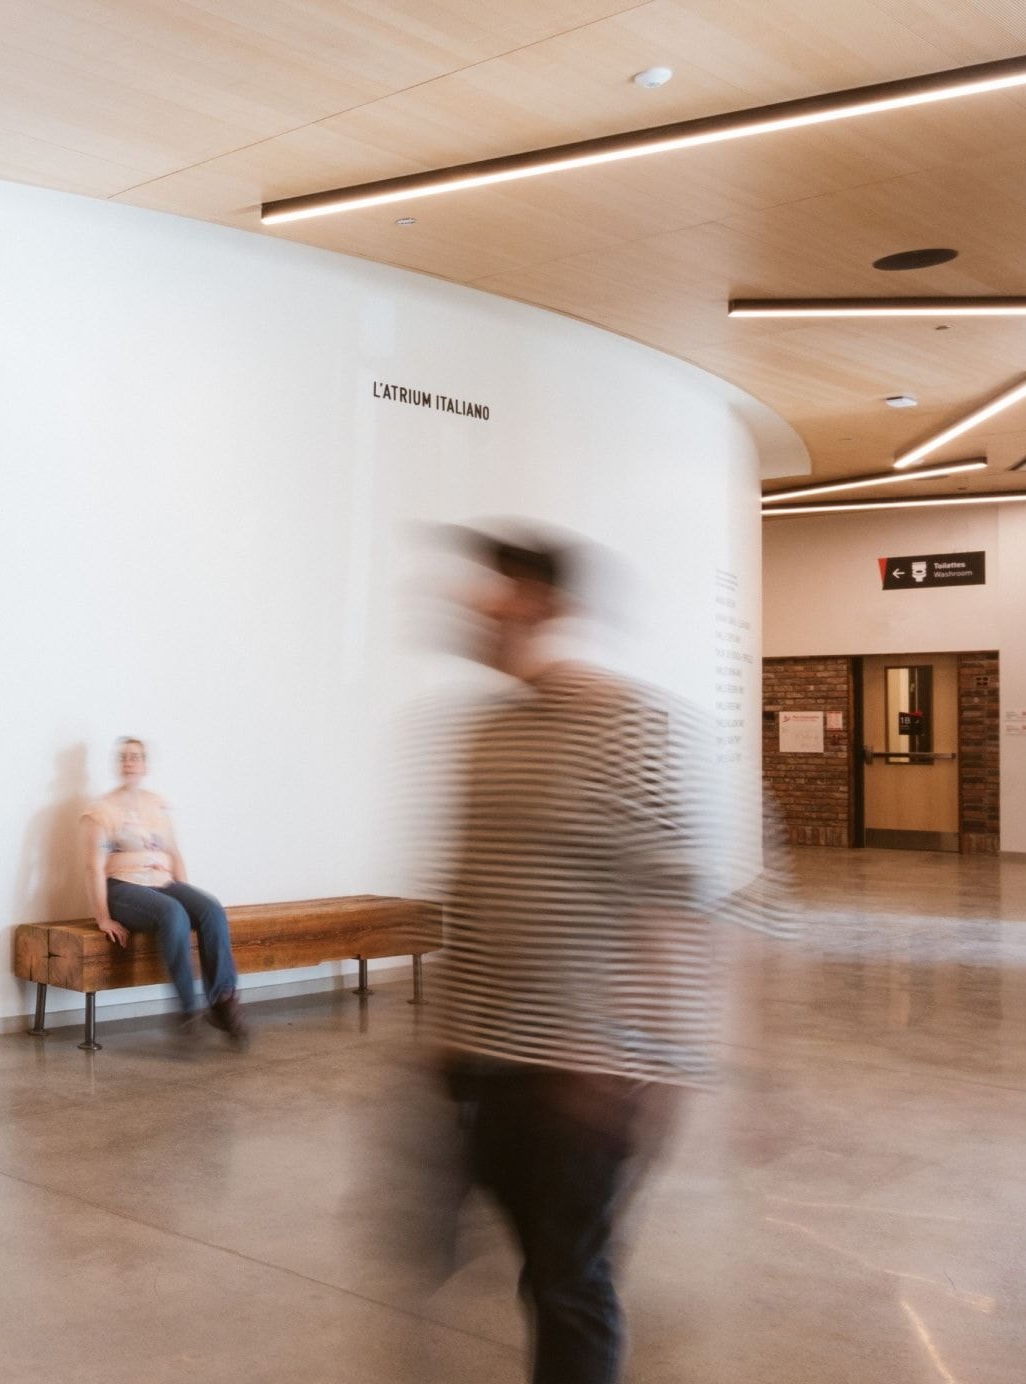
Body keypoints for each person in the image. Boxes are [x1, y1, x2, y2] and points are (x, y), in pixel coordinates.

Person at [433, 529, 716, 1384]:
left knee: (566, 1285)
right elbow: (474, 893)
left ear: (544, 603)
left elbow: (674, 902)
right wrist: (441, 1044)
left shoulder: (625, 723)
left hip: (574, 1076)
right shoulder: (482, 731)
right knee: (463, 1258)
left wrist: (661, 1064)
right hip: (477, 1063)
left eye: (492, 586)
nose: (471, 602)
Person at [85, 737, 247, 1043]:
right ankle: (188, 1009)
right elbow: (93, 868)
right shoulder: (101, 810)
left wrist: (185, 892)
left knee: (211, 908)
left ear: (145, 765)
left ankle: (223, 1000)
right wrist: (103, 918)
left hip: (162, 884)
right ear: (117, 764)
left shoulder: (156, 804)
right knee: (173, 914)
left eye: (136, 757)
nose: (130, 762)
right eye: (124, 757)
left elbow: (174, 855)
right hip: (122, 887)